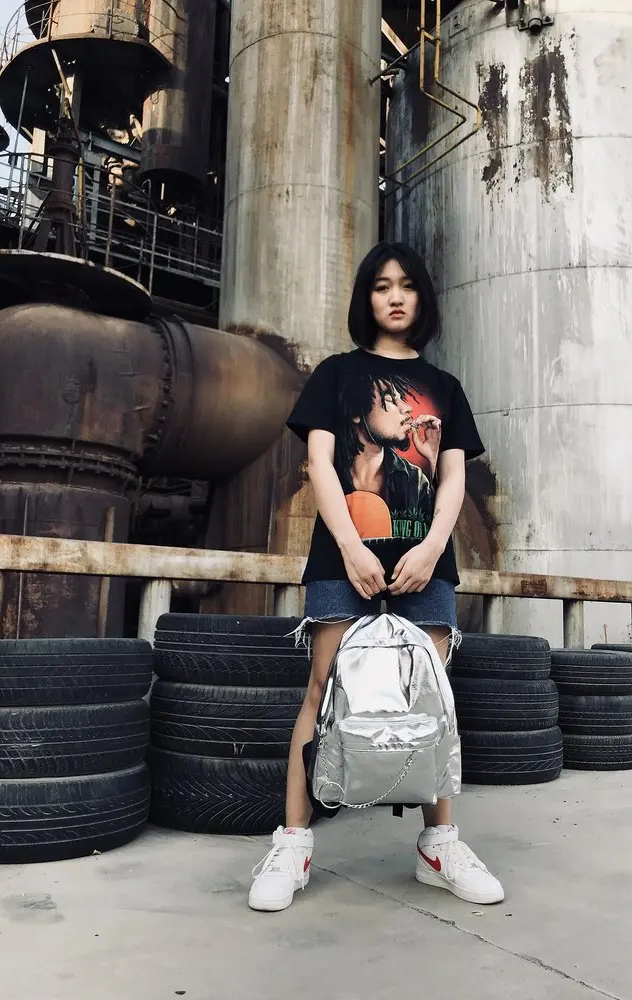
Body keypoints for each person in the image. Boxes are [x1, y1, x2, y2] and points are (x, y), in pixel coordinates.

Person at [248, 242, 505, 912]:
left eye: (407, 285)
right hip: (343, 560)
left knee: (431, 699)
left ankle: (438, 845)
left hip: (426, 564)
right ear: (366, 297)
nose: (395, 296)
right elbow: (319, 465)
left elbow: (453, 479)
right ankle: (293, 844)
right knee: (321, 691)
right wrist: (352, 548)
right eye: (382, 285)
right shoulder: (337, 375)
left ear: (422, 298)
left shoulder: (444, 387)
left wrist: (432, 549)